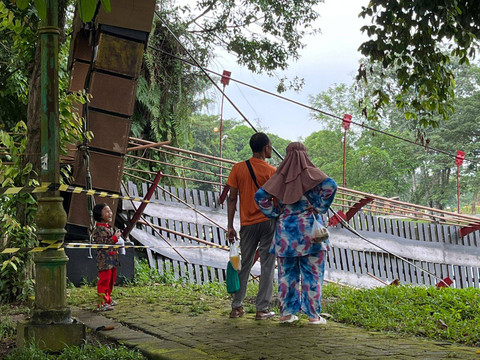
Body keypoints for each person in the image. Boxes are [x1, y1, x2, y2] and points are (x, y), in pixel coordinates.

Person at [254, 142, 337, 324]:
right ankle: (314, 316)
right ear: (305, 155)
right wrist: (318, 207)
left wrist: (276, 213)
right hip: (311, 234)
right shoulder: (313, 177)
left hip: (286, 236)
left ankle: (286, 314)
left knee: (286, 276)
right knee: (313, 275)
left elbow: (260, 197)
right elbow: (331, 185)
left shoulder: (279, 178)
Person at [226, 132, 277, 320]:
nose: (271, 149)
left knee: (243, 263)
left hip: (247, 224)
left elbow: (232, 198)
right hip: (268, 223)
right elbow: (277, 200)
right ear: (265, 148)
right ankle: (262, 309)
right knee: (267, 265)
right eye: (270, 146)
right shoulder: (272, 172)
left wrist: (230, 225)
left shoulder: (238, 168)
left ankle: (236, 307)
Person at [92, 203, 122, 311]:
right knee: (104, 280)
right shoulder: (99, 230)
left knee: (111, 280)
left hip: (112, 258)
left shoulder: (109, 228)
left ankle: (108, 299)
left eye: (110, 211)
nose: (110, 213)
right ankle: (101, 303)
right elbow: (104, 244)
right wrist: (115, 237)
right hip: (104, 260)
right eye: (106, 211)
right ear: (100, 214)